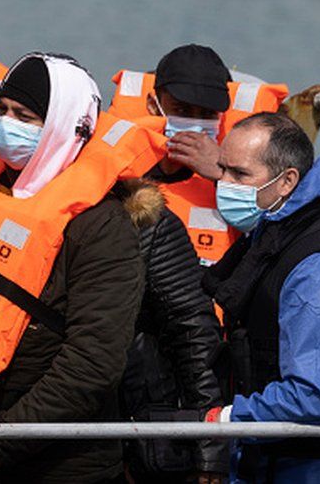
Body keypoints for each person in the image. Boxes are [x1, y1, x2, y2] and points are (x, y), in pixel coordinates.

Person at [0, 53, 167, 483]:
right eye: (3, 111)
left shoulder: (101, 226)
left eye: (25, 116)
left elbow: (93, 361)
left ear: (67, 125)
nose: (8, 126)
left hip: (60, 466)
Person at [201, 113, 320, 483]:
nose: (224, 184)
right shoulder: (271, 235)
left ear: (286, 182)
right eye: (222, 170)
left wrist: (221, 419)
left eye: (239, 174)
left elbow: (315, 396)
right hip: (270, 457)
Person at [105, 44, 288, 266]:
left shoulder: (241, 181)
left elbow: (280, 231)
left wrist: (222, 174)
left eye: (208, 114)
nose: (195, 124)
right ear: (154, 105)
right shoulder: (119, 167)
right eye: (182, 110)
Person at [119, 179, 227, 483]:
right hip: (22, 428)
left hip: (139, 429)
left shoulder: (147, 220)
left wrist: (210, 447)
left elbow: (193, 333)